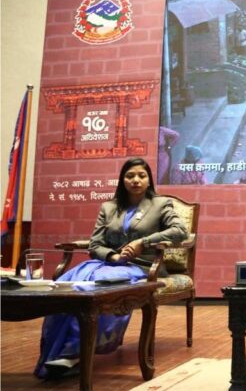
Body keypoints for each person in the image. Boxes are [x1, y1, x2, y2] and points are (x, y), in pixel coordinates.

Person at [34, 158, 188, 379]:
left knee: (101, 286)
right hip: (107, 263)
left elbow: (180, 231)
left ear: (149, 179)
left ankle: (74, 352)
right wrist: (113, 255)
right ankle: (54, 351)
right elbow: (95, 244)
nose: (136, 180)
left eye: (141, 176)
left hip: (141, 267)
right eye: (130, 176)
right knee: (67, 285)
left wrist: (142, 243)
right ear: (122, 179)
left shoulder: (161, 204)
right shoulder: (109, 207)